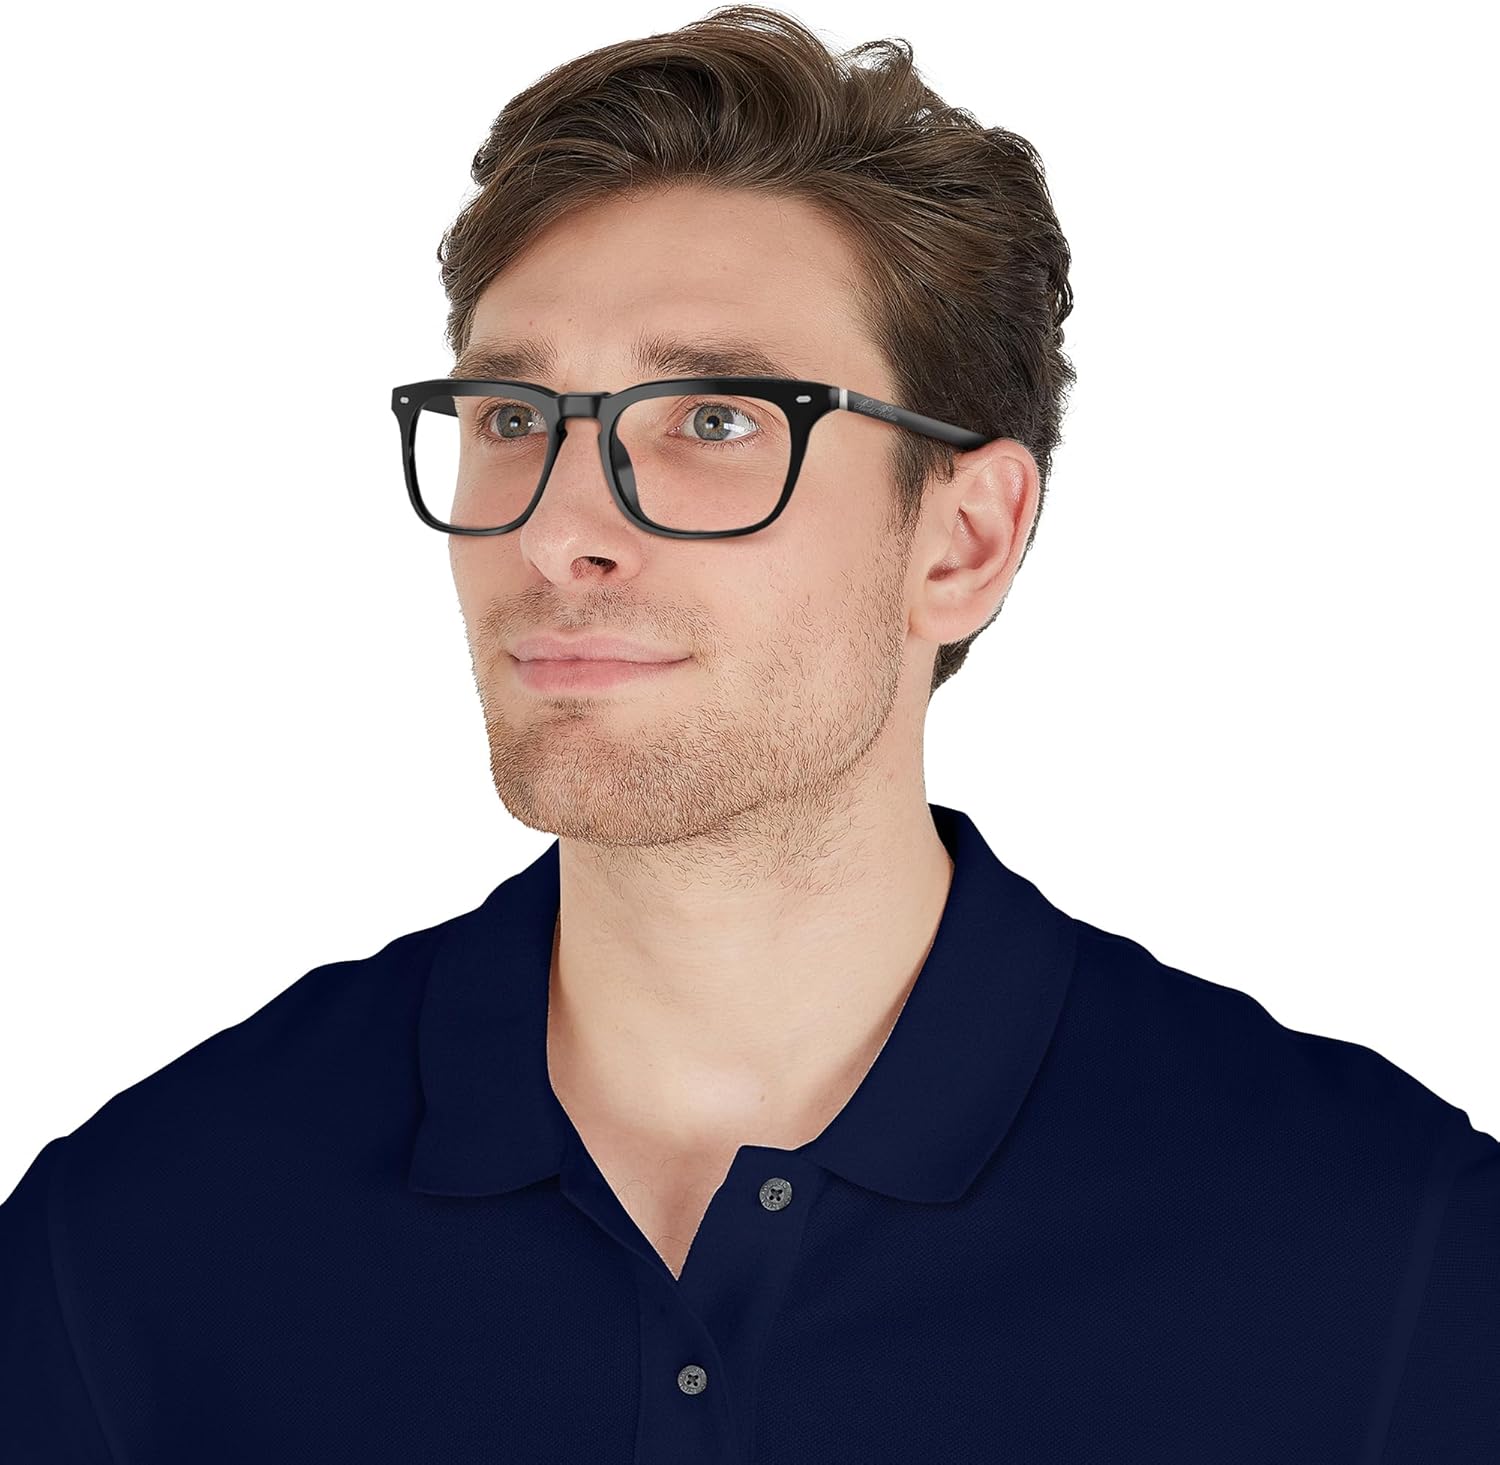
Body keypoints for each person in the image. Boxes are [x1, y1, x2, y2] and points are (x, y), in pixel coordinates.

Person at [3, 6, 1495, 1460]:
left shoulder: (1388, 1258)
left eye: (715, 419)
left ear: (965, 539)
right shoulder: (134, 1244)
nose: (559, 531)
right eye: (513, 416)